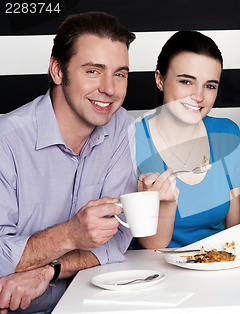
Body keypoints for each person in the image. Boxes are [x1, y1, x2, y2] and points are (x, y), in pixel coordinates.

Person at [0, 12, 137, 313]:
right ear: (58, 71)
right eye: (93, 71)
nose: (110, 89)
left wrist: (51, 269)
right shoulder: (6, 140)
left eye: (120, 74)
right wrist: (70, 235)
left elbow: (118, 237)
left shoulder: (120, 126)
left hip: (95, 305)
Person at [134, 31, 240, 249]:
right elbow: (150, 245)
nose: (199, 96)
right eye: (186, 81)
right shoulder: (129, 140)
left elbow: (236, 232)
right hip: (152, 272)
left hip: (215, 268)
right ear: (160, 79)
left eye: (210, 85)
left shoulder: (227, 133)